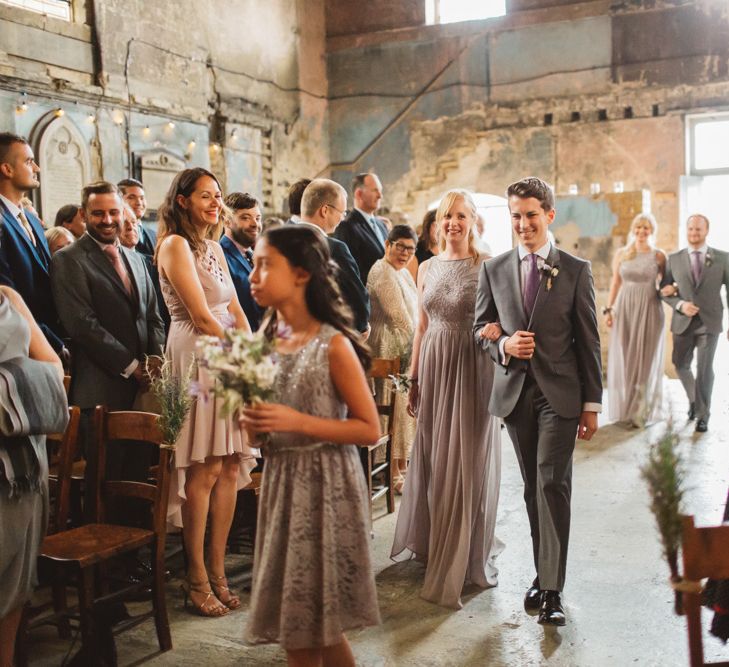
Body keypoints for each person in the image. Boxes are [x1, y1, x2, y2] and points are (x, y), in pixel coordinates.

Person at [242, 226, 381, 667]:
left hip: (326, 486)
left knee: (308, 627)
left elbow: (368, 429)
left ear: (302, 274)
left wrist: (297, 421)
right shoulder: (264, 344)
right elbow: (266, 429)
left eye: (266, 264)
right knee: (306, 622)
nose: (253, 274)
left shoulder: (333, 345)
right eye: (254, 263)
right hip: (283, 484)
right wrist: (254, 426)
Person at [473, 177, 602, 626]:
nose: (523, 224)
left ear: (549, 215)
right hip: (514, 396)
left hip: (561, 397)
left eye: (531, 215)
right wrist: (504, 345)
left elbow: (589, 342)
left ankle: (552, 590)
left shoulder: (575, 269)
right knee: (531, 489)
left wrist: (591, 405)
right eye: (515, 216)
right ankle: (541, 570)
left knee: (552, 484)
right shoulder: (493, 269)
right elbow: (480, 330)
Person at [391, 189, 503, 609]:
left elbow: (502, 321)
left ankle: (465, 553)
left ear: (473, 221)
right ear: (438, 223)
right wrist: (414, 377)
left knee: (465, 459)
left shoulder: (488, 266)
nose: (453, 222)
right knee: (437, 458)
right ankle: (436, 541)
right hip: (435, 368)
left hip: (472, 369)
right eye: (446, 215)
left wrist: (497, 336)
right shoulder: (427, 267)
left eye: (461, 215)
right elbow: (421, 326)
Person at [156, 167, 257, 617]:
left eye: (218, 196)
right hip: (199, 355)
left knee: (232, 467)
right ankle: (194, 578)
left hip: (229, 354)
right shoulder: (174, 245)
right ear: (181, 200)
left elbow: (235, 308)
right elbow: (200, 316)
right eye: (205, 196)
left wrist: (253, 359)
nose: (215, 203)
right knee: (205, 469)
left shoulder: (214, 245)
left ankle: (218, 571)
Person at [51, 181, 165, 491]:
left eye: (113, 212)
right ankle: (104, 538)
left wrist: (154, 361)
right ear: (84, 215)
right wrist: (132, 366)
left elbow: (154, 316)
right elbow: (82, 324)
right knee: (104, 484)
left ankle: (141, 539)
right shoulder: (69, 259)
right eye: (98, 213)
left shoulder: (136, 259)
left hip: (143, 393)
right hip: (101, 391)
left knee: (140, 480)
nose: (107, 220)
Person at [0, 287, 64, 667]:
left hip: (22, 459)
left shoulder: (8, 295)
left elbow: (53, 367)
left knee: (13, 585)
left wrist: (8, 389)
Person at [660, 214, 729, 433]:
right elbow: (664, 291)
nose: (693, 233)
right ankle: (693, 400)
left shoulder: (723, 258)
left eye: (698, 229)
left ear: (706, 230)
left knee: (705, 369)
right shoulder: (674, 259)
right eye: (690, 229)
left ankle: (702, 415)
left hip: (710, 322)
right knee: (680, 364)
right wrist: (680, 304)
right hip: (683, 322)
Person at [0, 133, 65, 354]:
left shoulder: (33, 223)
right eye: (29, 161)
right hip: (24, 346)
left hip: (54, 338)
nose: (36, 167)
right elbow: (8, 296)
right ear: (7, 169)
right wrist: (49, 342)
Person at [366, 224, 418, 493]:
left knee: (405, 410)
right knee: (394, 409)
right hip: (386, 347)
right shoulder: (381, 270)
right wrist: (422, 341)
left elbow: (418, 309)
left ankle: (404, 466)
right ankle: (392, 472)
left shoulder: (405, 273)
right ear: (388, 245)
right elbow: (398, 315)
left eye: (410, 249)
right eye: (400, 246)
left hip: (405, 347)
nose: (405, 253)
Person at [604, 213, 666, 426]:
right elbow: (615, 283)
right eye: (638, 227)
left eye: (646, 228)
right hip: (625, 310)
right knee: (629, 360)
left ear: (652, 231)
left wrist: (673, 289)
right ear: (633, 229)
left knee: (646, 362)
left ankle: (641, 412)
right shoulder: (622, 253)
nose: (641, 232)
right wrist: (609, 310)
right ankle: (628, 409)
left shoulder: (659, 256)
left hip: (650, 310)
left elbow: (666, 284)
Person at [299, 178, 371, 335]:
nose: (343, 218)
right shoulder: (334, 248)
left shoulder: (278, 241)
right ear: (325, 210)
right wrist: (362, 327)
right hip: (325, 335)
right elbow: (356, 297)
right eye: (342, 212)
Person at [333, 172, 389, 283]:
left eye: (380, 191)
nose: (380, 196)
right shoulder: (346, 227)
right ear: (359, 194)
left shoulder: (382, 225)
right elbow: (348, 272)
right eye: (375, 190)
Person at [220, 192, 264, 331]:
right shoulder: (220, 255)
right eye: (245, 218)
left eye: (258, 218)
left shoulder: (254, 256)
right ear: (226, 220)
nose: (255, 224)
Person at [117, 178, 156, 256]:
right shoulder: (114, 235)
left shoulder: (154, 235)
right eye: (131, 197)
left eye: (142, 198)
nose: (139, 203)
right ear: (118, 200)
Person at [410, 209, 438, 281]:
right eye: (436, 225)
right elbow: (411, 284)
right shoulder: (416, 249)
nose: (440, 229)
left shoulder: (448, 249)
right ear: (427, 227)